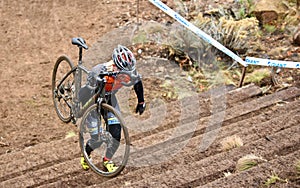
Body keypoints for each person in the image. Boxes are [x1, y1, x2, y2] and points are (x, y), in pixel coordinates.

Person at [79, 45, 146, 172]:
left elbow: (138, 83)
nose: (127, 75)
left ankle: (107, 160)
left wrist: (141, 102)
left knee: (116, 133)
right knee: (97, 139)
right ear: (115, 66)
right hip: (92, 103)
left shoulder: (130, 71)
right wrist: (78, 106)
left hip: (109, 100)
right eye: (123, 72)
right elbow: (85, 92)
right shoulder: (99, 70)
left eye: (129, 71)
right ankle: (85, 154)